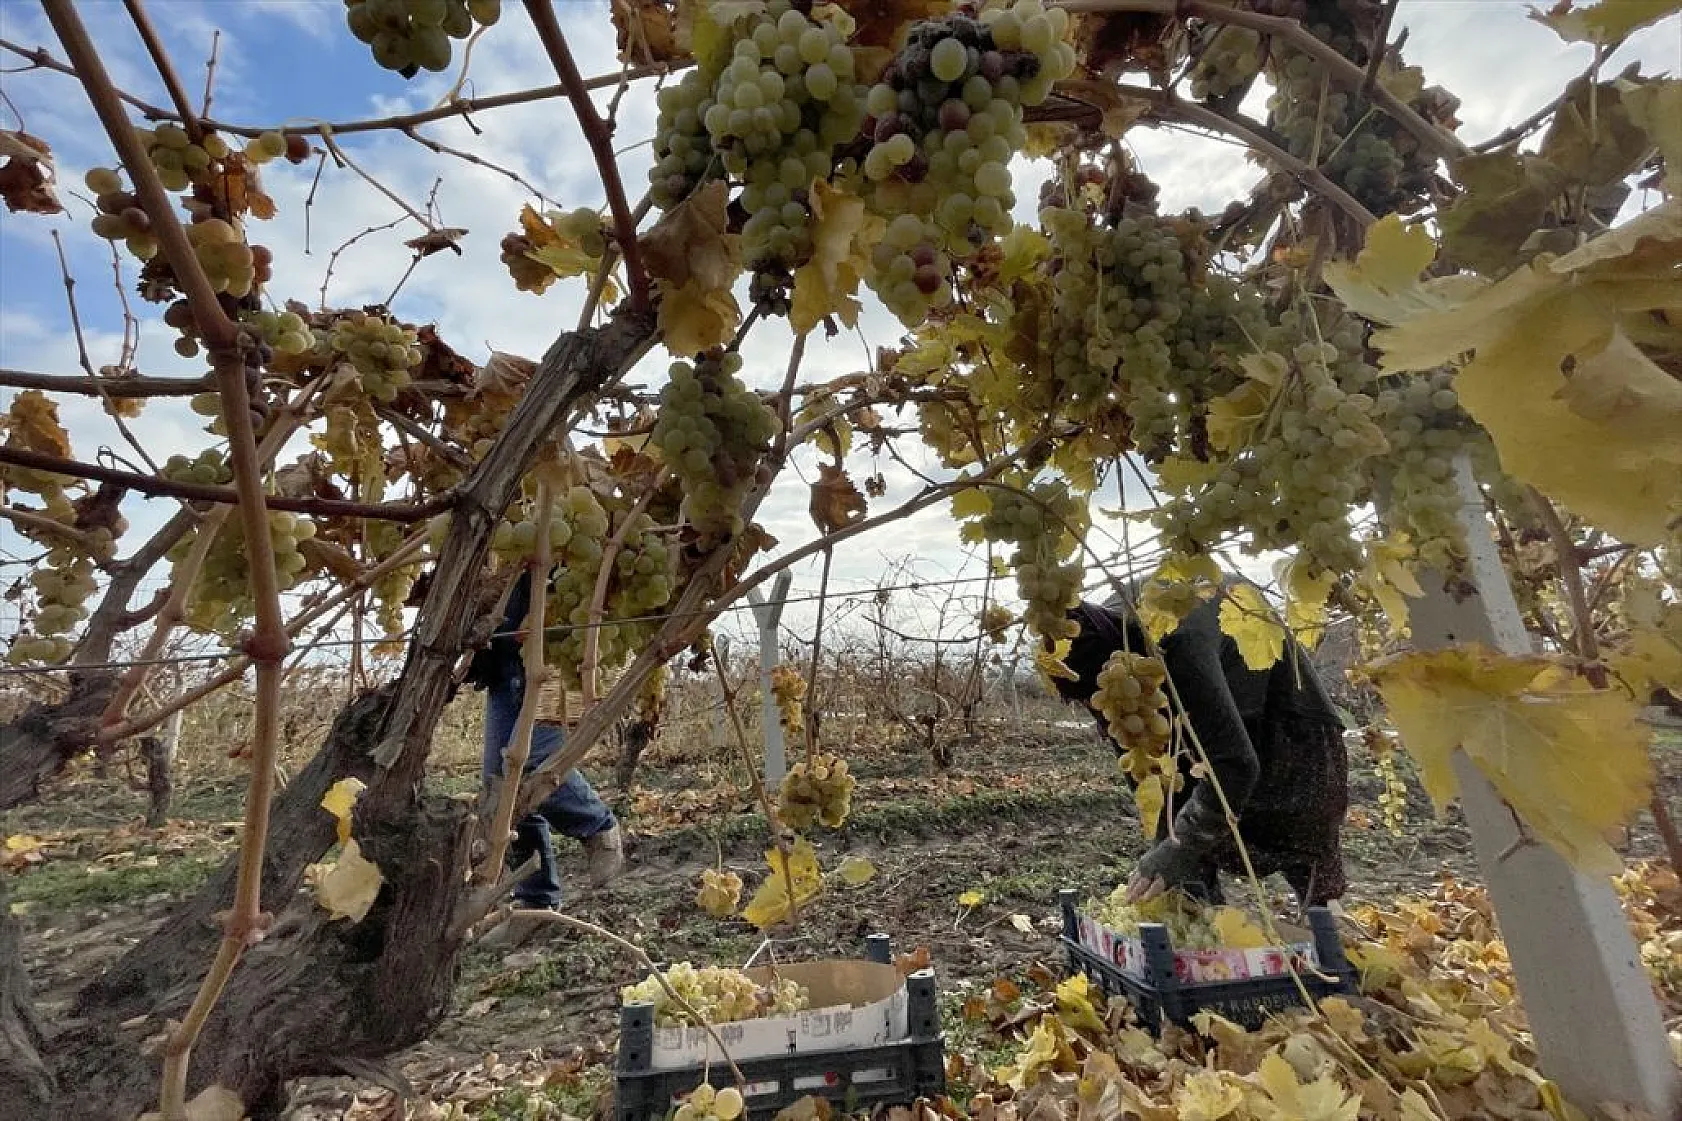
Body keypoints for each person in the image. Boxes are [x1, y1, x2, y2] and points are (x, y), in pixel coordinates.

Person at [1053, 576, 1349, 909]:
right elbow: (1142, 755)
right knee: (1188, 835)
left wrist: (1178, 846)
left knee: (1303, 832)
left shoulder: (1176, 641)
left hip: (1285, 724)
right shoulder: (1101, 639)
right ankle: (1205, 931)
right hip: (1196, 722)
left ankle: (1330, 933)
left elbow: (1235, 763)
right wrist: (1165, 844)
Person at [465, 569, 625, 918]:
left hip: (553, 657)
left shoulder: (560, 530)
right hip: (503, 660)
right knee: (501, 781)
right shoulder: (498, 542)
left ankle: (598, 827)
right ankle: (536, 901)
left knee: (534, 757)